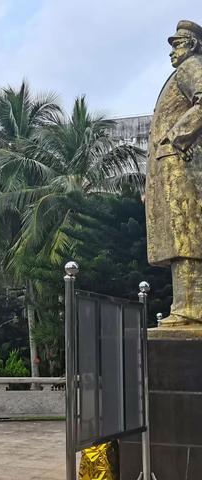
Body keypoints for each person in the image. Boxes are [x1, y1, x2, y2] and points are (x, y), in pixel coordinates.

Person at [146, 19, 202, 326]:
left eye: (177, 43)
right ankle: (186, 306)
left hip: (180, 165)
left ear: (192, 45)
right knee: (181, 240)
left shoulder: (190, 67)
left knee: (186, 239)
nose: (171, 51)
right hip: (172, 167)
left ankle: (190, 309)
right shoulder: (180, 71)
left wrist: (177, 136)